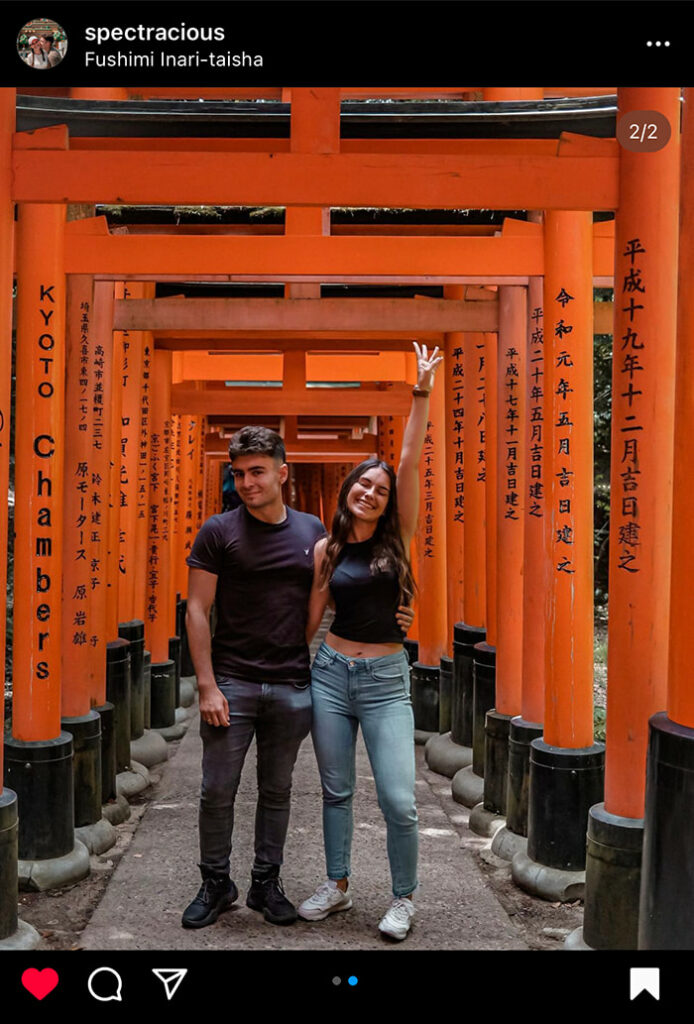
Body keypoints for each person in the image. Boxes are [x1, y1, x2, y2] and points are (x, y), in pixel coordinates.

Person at [182, 424, 414, 929]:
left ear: (282, 474)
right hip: (233, 680)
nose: (247, 483)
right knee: (217, 788)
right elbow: (197, 609)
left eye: (258, 472)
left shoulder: (313, 532)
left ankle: (267, 883)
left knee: (279, 789)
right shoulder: (217, 531)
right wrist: (207, 684)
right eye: (239, 474)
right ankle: (215, 883)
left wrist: (398, 612)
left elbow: (331, 598)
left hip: (292, 681)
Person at [298, 341, 443, 941]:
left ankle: (403, 899)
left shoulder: (396, 540)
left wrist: (421, 392)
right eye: (365, 484)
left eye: (380, 490)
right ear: (348, 489)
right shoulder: (326, 551)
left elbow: (409, 461)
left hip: (385, 681)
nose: (372, 493)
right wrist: (290, 671)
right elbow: (311, 620)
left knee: (398, 799)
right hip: (331, 675)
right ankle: (336, 885)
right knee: (336, 790)